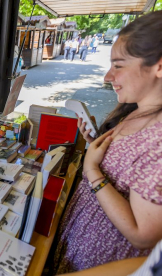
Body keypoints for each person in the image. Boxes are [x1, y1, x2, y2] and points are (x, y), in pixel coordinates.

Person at [52, 11, 162, 274]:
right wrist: (95, 143)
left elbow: (141, 234)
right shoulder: (137, 109)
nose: (107, 76)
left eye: (119, 65)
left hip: (105, 261)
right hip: (81, 247)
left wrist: (92, 170)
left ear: (159, 66)